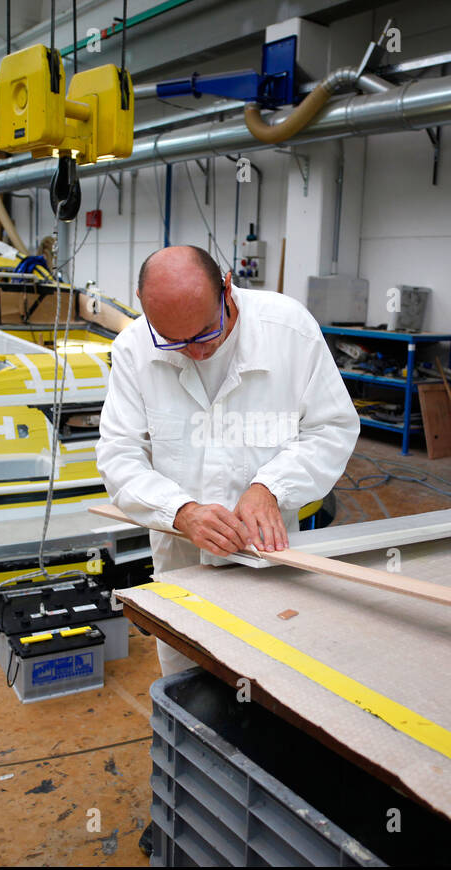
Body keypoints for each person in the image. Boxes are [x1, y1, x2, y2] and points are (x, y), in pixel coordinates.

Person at [97, 245, 359, 676]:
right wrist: (180, 512)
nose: (196, 352)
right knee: (188, 684)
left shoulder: (288, 331)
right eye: (176, 342)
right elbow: (119, 454)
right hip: (180, 558)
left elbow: (331, 429)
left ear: (227, 288)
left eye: (205, 333)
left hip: (269, 556)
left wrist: (271, 487)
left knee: (273, 677)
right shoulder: (134, 349)